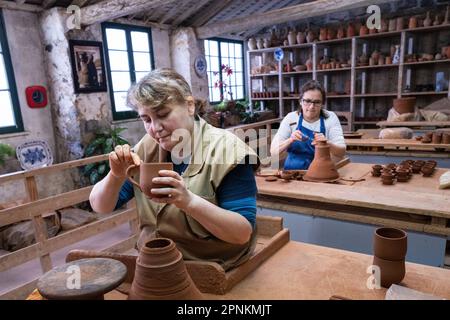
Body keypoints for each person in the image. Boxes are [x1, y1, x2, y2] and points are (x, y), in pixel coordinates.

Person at [89, 69, 259, 271]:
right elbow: (101, 206)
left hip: (213, 265)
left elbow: (241, 233)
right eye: (146, 119)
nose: (155, 128)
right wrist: (115, 175)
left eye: (163, 114)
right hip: (157, 262)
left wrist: (188, 201)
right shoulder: (146, 148)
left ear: (189, 105)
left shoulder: (227, 151)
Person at [270, 80, 346, 170]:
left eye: (317, 102)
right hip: (292, 173)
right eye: (307, 101)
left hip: (320, 172)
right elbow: (273, 152)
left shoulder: (330, 118)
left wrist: (327, 143)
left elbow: (341, 152)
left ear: (322, 104)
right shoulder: (291, 118)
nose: (311, 107)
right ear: (300, 101)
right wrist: (290, 140)